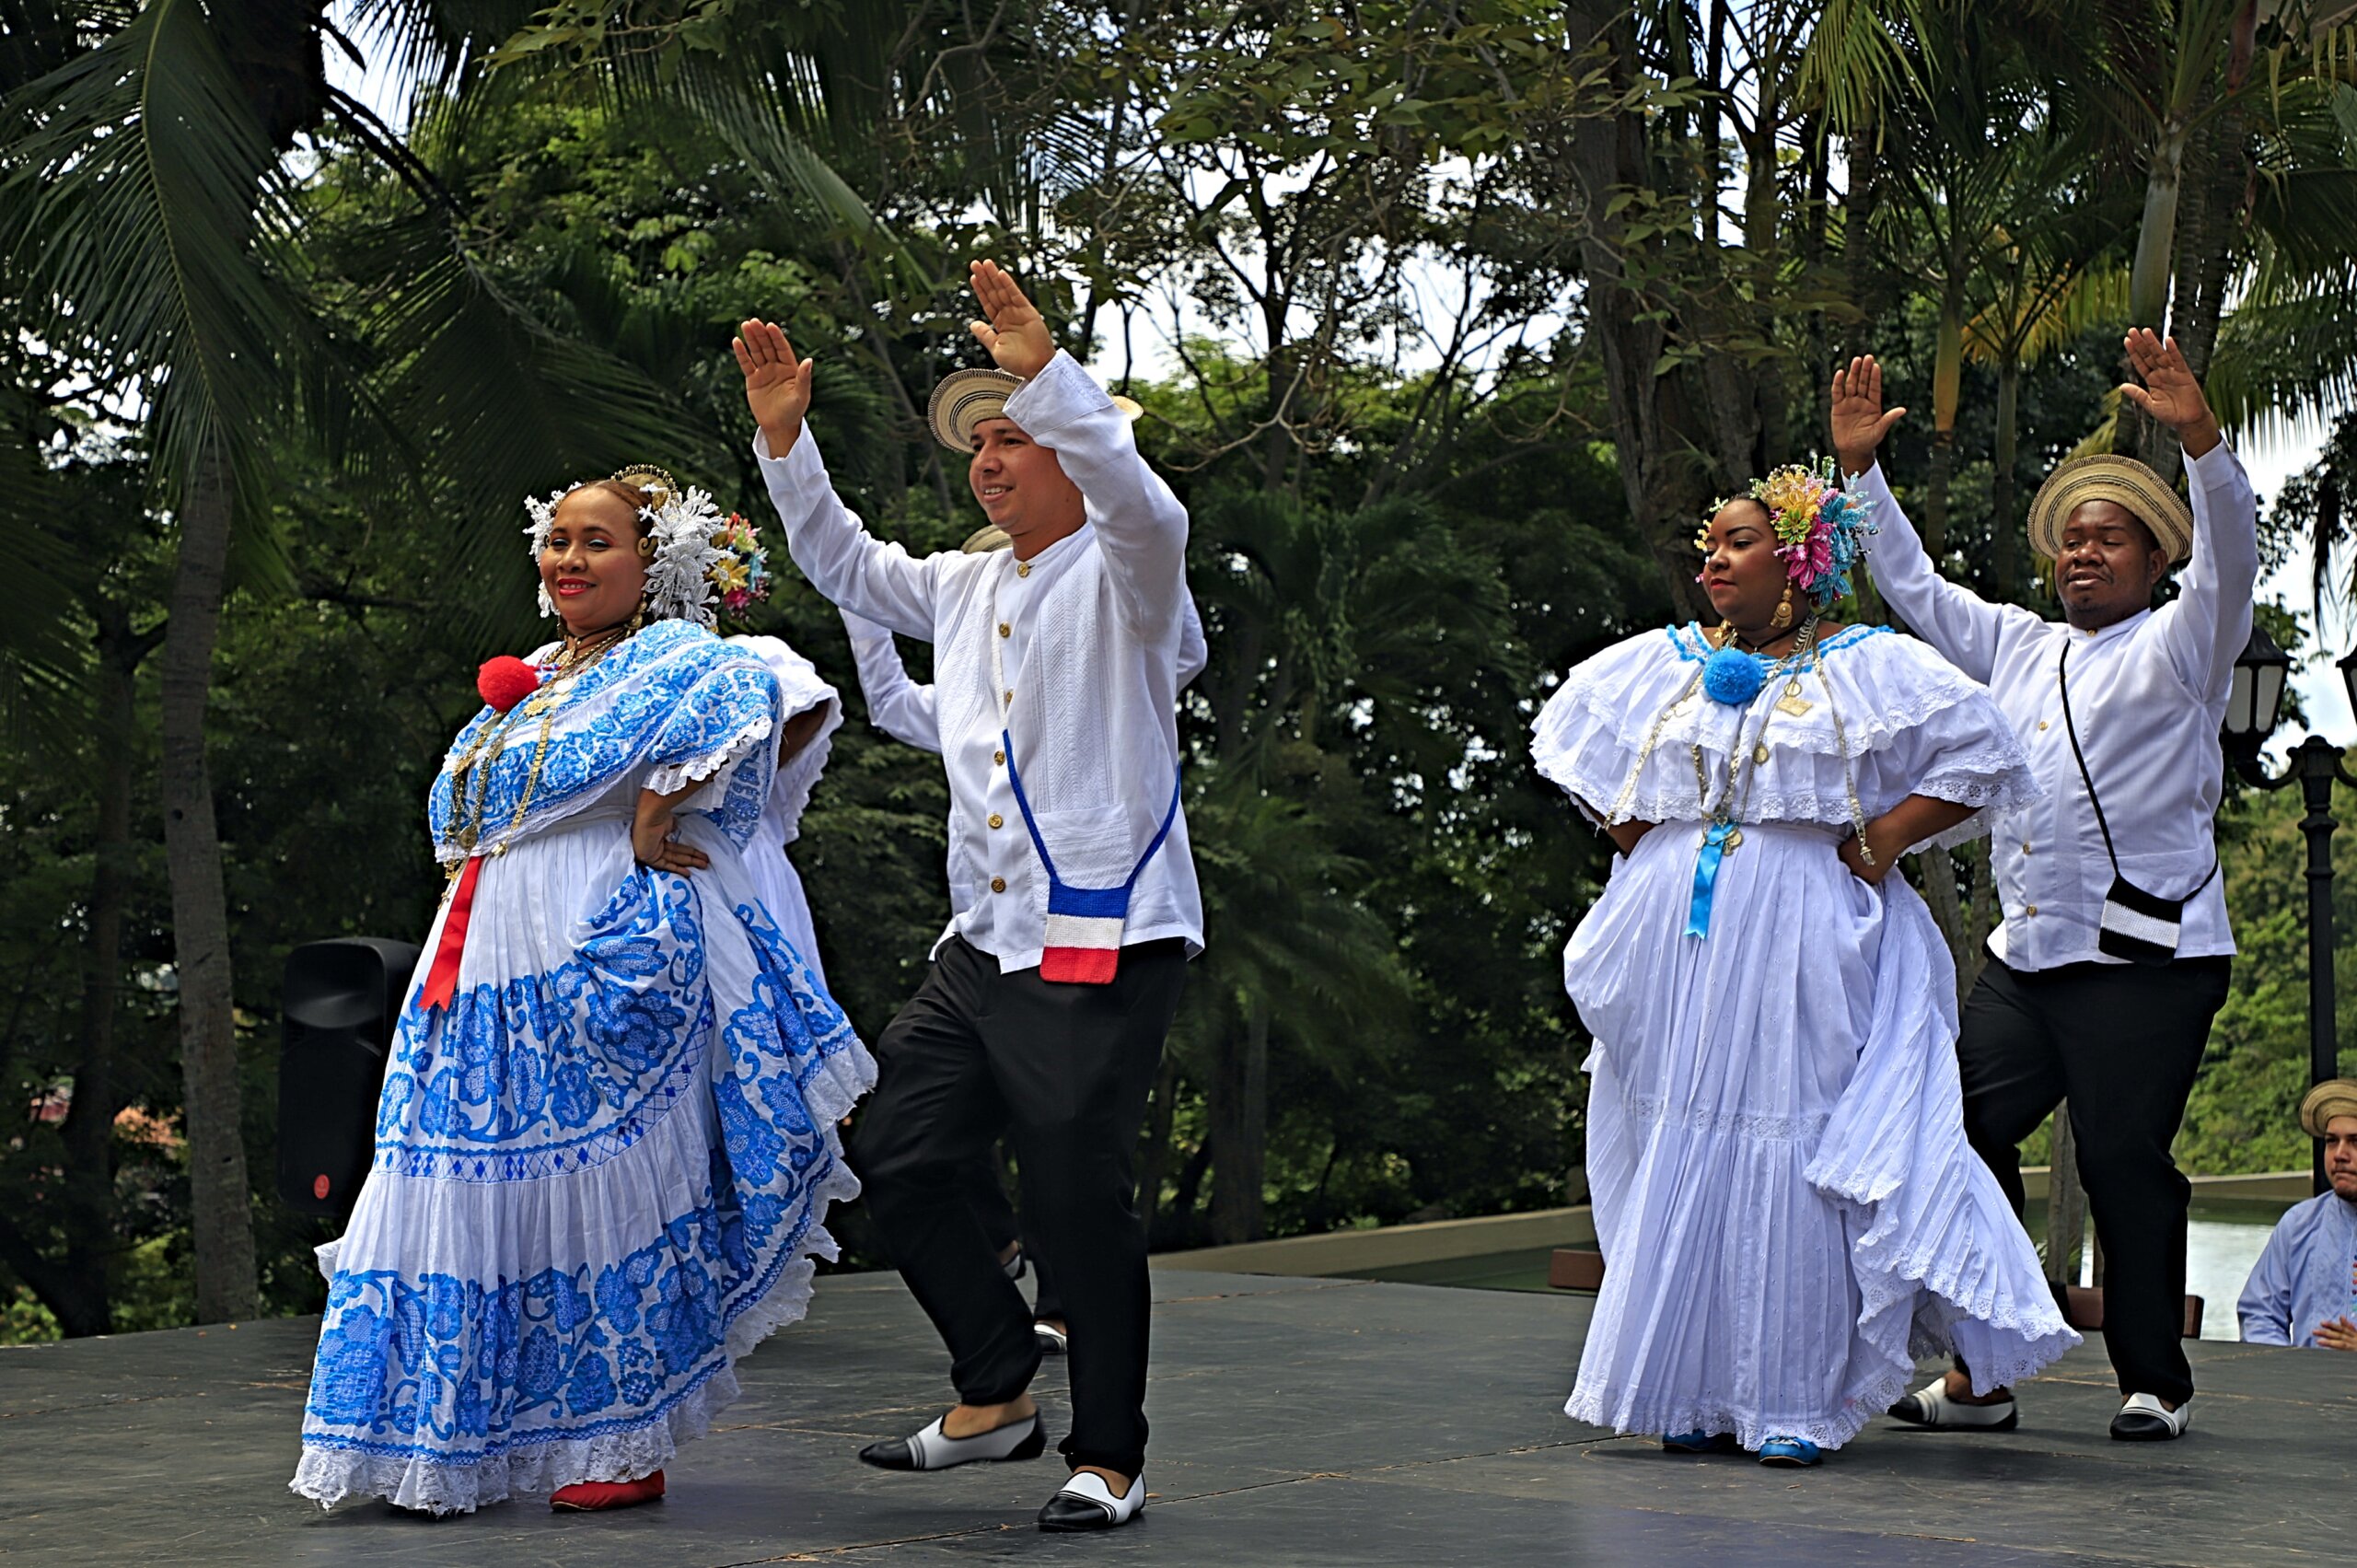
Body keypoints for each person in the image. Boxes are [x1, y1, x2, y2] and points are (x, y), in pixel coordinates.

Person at [291, 470, 876, 1516]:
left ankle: (617, 1437)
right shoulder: (542, 679)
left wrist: (664, 801)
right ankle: (438, 1432)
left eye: (597, 542)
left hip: (588, 933)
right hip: (477, 950)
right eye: (557, 539)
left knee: (606, 1177)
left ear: (653, 564)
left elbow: (778, 694)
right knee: (452, 1177)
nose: (568, 559)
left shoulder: (673, 655)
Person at [737, 258, 1196, 1532]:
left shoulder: (1132, 568)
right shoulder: (967, 579)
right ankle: (997, 1382)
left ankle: (1110, 1453)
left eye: (1016, 437)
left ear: (1076, 450)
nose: (991, 460)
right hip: (984, 944)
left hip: (1103, 932)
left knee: (1070, 1197)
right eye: (981, 444)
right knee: (894, 1148)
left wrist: (1052, 371)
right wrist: (788, 442)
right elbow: (844, 562)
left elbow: (1142, 504)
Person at [1531, 454, 2075, 1467]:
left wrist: (1877, 841)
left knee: (1792, 1143)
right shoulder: (1666, 661)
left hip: (1800, 931)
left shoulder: (1865, 662)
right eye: (1708, 546)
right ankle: (1686, 1385)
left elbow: (1987, 755)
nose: (1713, 562)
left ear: (1798, 560)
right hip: (1682, 943)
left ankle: (1787, 1392)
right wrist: (1654, 847)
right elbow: (1589, 763)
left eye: (1737, 542)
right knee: (1678, 1143)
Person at [1840, 331, 2258, 1442]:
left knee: (2123, 1157)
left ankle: (2152, 1378)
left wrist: (2200, 443)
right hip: (2026, 961)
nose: (2083, 553)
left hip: (2148, 959)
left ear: (2154, 559)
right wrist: (1859, 473)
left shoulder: (2186, 641)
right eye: (2070, 540)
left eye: (2108, 537)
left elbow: (2234, 555)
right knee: (1956, 1128)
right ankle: (1985, 1368)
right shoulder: (2017, 644)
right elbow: (1911, 587)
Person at [840, 570, 1208, 1361]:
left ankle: (1071, 1316)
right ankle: (1000, 1322)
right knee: (911, 1131)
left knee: (1068, 1146)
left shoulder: (1110, 653)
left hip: (1090, 929)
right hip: (980, 944)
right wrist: (857, 598)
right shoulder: (968, 693)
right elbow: (896, 702)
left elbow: (1180, 648)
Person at [2235, 1080, 2357, 1351]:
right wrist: (2293, 1368)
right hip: (2306, 1389)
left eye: (2355, 1142)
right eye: (2331, 1141)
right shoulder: (2300, 1224)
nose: (2339, 1155)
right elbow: (2259, 1314)